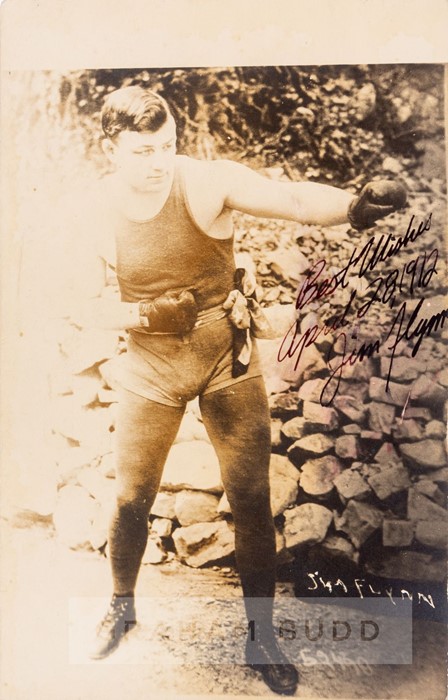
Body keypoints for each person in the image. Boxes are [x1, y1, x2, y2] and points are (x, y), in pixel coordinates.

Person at [69, 85, 406, 695]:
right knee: (129, 500)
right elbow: (80, 306)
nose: (157, 162)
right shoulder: (94, 209)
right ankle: (120, 604)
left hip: (228, 354)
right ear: (109, 148)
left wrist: (355, 207)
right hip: (151, 367)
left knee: (251, 501)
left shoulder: (202, 182)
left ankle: (261, 636)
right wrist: (143, 318)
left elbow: (292, 199)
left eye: (166, 146)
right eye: (141, 151)